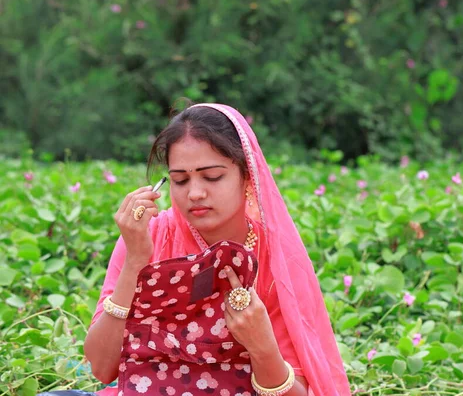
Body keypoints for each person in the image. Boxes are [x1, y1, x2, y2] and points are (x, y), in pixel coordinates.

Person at [77, 103, 350, 396]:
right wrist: (135, 262)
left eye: (212, 177)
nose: (194, 193)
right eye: (180, 180)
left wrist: (262, 346)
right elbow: (102, 369)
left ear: (247, 175)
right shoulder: (147, 236)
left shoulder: (277, 260)